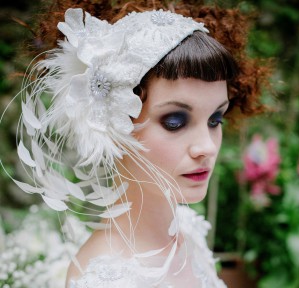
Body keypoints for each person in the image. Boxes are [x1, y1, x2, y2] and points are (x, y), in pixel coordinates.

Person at [6, 1, 268, 287]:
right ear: (112, 124)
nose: (206, 146)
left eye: (215, 119)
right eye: (175, 122)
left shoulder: (187, 231)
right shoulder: (106, 279)